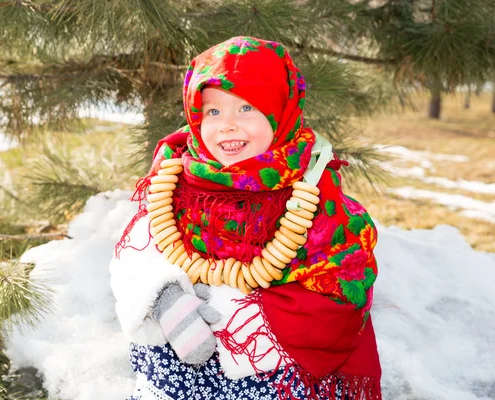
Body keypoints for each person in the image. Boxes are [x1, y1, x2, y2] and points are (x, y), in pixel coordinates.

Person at [110, 36, 382, 400]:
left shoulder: (313, 195)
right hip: (182, 344)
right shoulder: (176, 177)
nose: (227, 125)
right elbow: (137, 249)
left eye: (247, 108)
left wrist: (236, 312)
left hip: (271, 359)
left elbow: (343, 286)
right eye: (214, 111)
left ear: (279, 110)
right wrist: (164, 294)